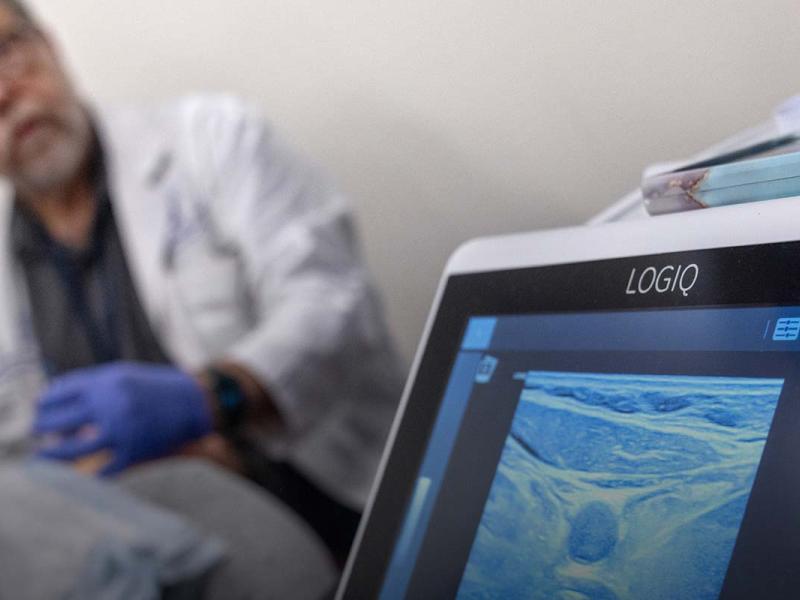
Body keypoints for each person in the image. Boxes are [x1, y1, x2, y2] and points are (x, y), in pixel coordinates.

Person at [0, 0, 404, 569]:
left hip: (331, 506)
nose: (3, 96)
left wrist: (213, 398)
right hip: (153, 551)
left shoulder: (214, 138)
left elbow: (330, 303)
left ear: (48, 43)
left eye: (6, 53)